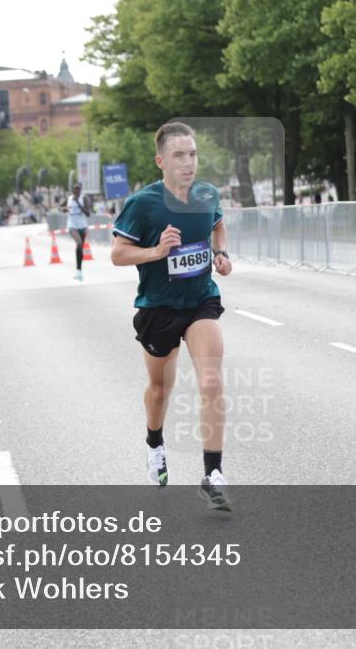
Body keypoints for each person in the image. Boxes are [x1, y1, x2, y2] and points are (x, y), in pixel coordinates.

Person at [110, 121, 234, 511]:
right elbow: (117, 254)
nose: (188, 163)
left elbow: (217, 224)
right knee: (161, 389)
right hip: (158, 308)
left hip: (200, 300)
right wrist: (155, 252)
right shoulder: (142, 204)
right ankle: (154, 441)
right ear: (161, 161)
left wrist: (221, 253)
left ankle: (212, 475)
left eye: (193, 154)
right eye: (179, 156)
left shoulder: (207, 194)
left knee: (212, 380)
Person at [66, 183, 91, 281]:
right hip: (72, 225)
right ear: (72, 190)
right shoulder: (69, 199)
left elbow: (88, 213)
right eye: (75, 189)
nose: (76, 191)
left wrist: (78, 204)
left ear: (80, 190)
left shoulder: (83, 199)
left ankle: (79, 270)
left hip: (82, 226)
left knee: (80, 248)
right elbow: (60, 206)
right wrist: (63, 209)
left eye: (78, 189)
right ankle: (78, 271)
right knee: (79, 243)